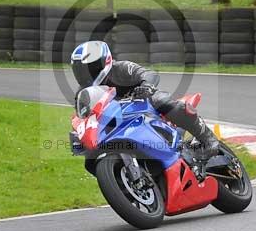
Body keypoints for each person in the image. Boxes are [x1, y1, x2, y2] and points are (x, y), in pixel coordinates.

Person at [70, 40, 221, 156]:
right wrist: (78, 134)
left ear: (105, 60)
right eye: (81, 71)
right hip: (119, 119)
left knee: (162, 101)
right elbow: (83, 117)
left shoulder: (121, 68)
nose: (86, 75)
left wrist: (146, 86)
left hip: (143, 102)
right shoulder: (83, 93)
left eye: (91, 68)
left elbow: (149, 74)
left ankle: (208, 139)